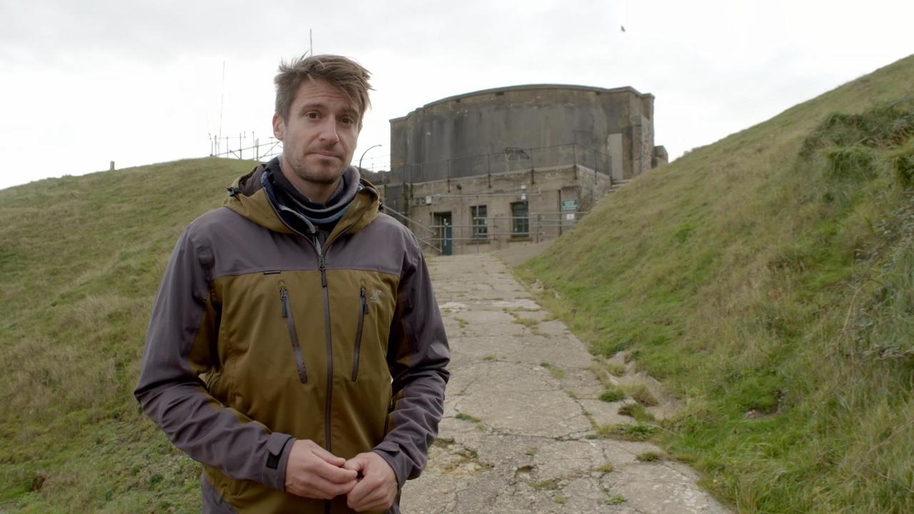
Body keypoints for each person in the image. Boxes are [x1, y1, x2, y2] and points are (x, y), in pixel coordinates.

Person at [134, 54, 450, 514]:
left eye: (347, 119)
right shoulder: (210, 242)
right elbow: (164, 385)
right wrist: (274, 459)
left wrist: (395, 459)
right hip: (249, 504)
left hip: (363, 506)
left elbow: (425, 369)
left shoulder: (394, 243)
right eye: (313, 115)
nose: (330, 133)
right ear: (280, 124)